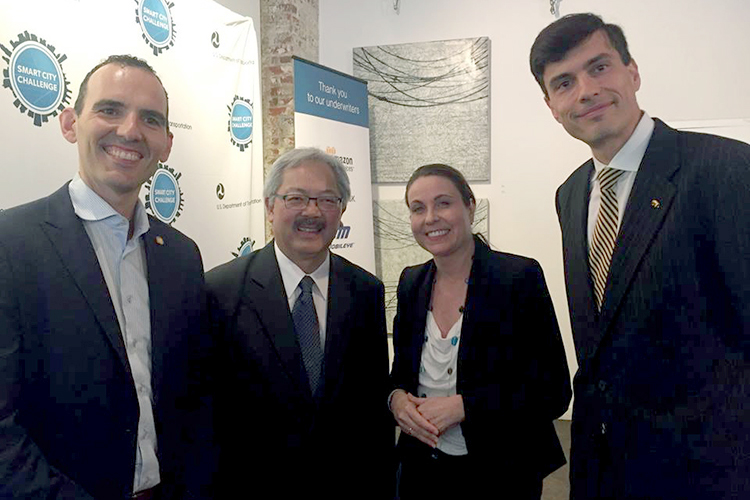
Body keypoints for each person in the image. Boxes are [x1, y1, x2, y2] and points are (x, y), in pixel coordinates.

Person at [530, 13, 750, 499]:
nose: (585, 91)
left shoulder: (728, 170)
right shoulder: (570, 195)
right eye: (564, 83)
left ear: (633, 72)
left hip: (706, 473)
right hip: (601, 468)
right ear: (551, 105)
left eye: (599, 67)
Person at [0, 55, 213, 499]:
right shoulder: (10, 245)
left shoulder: (181, 256)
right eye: (110, 110)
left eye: (150, 119)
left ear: (167, 144)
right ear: (69, 123)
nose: (131, 131)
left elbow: (194, 403)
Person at [205, 147, 393, 498]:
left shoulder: (366, 291)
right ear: (270, 206)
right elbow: (206, 415)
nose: (312, 211)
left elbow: (372, 413)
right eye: (296, 198)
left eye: (326, 200)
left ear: (341, 211)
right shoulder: (221, 290)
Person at [389, 164, 571, 499]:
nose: (430, 217)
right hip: (421, 470)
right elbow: (400, 374)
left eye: (443, 203)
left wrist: (466, 406)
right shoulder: (411, 283)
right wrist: (395, 398)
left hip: (500, 469)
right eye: (418, 208)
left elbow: (553, 391)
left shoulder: (518, 277)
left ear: (469, 206)